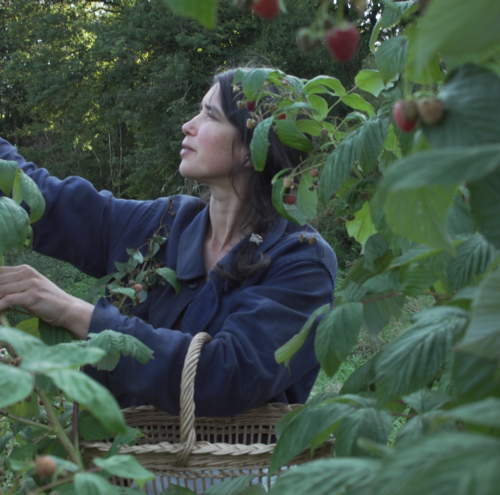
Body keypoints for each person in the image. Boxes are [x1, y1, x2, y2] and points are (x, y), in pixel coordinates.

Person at [0, 68, 337, 418]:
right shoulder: (164, 224)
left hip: (227, 472)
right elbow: (51, 204)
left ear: (255, 149)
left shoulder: (301, 261)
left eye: (210, 115)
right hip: (123, 467)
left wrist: (78, 314)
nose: (187, 125)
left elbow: (223, 378)